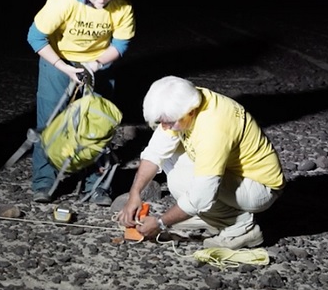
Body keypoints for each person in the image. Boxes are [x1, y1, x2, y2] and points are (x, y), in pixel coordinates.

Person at [116, 76, 285, 249]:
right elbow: (154, 152)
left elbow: (201, 195)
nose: (164, 127)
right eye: (161, 122)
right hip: (233, 173)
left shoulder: (213, 129)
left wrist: (160, 223)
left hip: (259, 187)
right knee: (168, 154)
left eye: (168, 122)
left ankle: (241, 227)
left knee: (182, 181)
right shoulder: (188, 99)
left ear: (190, 111)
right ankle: (209, 216)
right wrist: (134, 194)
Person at [27, 0, 135, 206]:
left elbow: (121, 43)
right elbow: (35, 37)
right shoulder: (62, 0)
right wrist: (64, 68)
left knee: (98, 124)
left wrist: (95, 64)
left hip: (98, 65)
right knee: (50, 121)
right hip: (58, 62)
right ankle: (44, 182)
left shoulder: (122, 6)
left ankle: (96, 185)